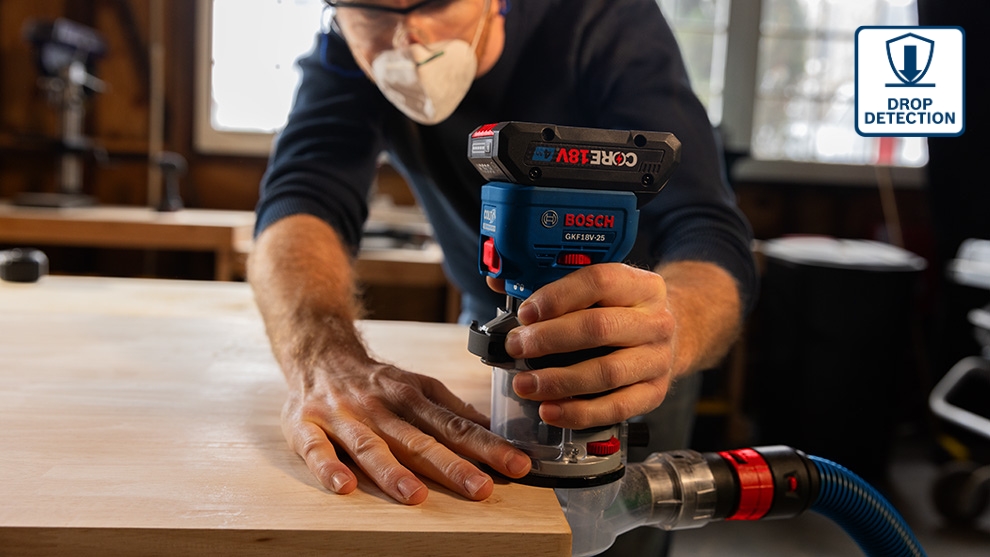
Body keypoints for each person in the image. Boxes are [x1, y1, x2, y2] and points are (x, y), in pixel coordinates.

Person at [249, 0, 756, 552]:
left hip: (636, 334)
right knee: (484, 523)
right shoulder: (346, 54)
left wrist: (670, 329)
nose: (407, 39)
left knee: (615, 528)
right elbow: (300, 202)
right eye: (374, 10)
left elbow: (706, 227)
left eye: (436, 2)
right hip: (498, 312)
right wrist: (324, 358)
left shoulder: (603, 17)